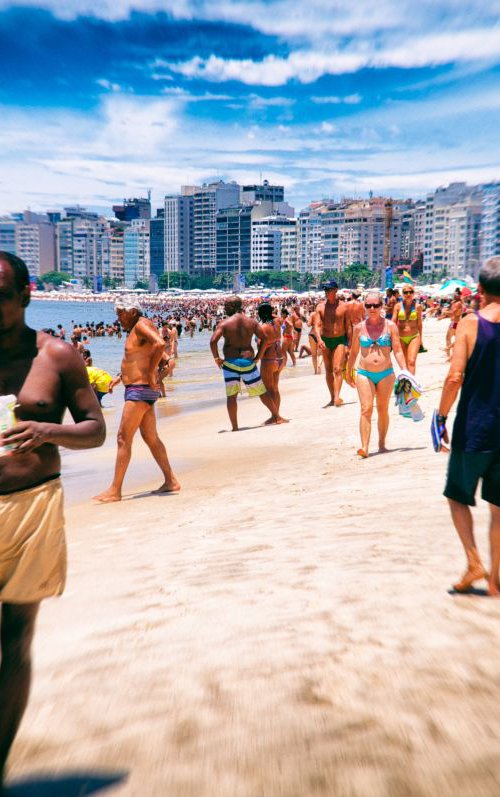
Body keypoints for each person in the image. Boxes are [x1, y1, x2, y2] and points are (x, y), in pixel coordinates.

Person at [0, 252, 105, 791]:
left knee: (15, 640)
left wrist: (47, 433)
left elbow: (94, 429)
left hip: (31, 506)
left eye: (1, 295)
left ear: (24, 296)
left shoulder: (58, 357)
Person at [436, 258, 500, 596]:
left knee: (457, 496)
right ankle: (495, 582)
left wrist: (441, 416)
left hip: (475, 428)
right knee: (499, 508)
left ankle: (475, 561)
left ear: (480, 290)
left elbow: (455, 376)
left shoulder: (470, 324)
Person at [93, 298, 180, 503]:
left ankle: (115, 490)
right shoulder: (139, 327)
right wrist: (120, 377)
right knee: (151, 437)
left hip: (139, 391)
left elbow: (160, 345)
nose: (118, 318)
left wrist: (151, 374)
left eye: (120, 313)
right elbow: (146, 357)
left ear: (132, 311)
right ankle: (170, 481)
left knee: (123, 438)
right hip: (140, 389)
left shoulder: (141, 325)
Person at [210, 296, 284, 431]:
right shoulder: (251, 322)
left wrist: (216, 358)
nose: (224, 307)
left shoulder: (225, 323)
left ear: (233, 307)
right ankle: (277, 417)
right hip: (248, 362)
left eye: (226, 305)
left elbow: (213, 341)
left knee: (231, 396)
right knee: (262, 392)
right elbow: (265, 339)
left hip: (230, 363)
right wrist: (257, 357)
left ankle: (235, 427)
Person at [346, 292, 406, 458]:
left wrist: (405, 370)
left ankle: (381, 443)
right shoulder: (359, 328)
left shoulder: (390, 326)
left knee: (382, 409)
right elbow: (353, 353)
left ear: (381, 306)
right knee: (366, 409)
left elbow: (398, 351)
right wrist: (348, 371)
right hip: (364, 373)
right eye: (368, 305)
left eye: (375, 305)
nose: (372, 308)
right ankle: (364, 447)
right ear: (364, 307)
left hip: (386, 373)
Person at [313, 280, 352, 406]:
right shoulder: (320, 307)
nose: (326, 292)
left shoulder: (344, 306)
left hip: (339, 340)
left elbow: (348, 327)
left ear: (336, 290)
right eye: (325, 290)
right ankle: (332, 397)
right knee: (328, 370)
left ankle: (337, 397)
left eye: (329, 290)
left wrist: (349, 344)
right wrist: (319, 340)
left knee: (337, 369)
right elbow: (317, 325)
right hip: (325, 340)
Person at [254, 303, 286, 424]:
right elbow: (276, 317)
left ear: (260, 313)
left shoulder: (263, 328)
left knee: (268, 389)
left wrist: (257, 357)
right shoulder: (278, 322)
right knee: (275, 389)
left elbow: (262, 344)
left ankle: (276, 416)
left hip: (268, 360)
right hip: (280, 359)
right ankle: (276, 415)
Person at [392, 285, 423, 374]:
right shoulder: (397, 306)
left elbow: (419, 324)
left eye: (410, 292)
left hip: (414, 337)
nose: (408, 294)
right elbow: (393, 323)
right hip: (400, 338)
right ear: (402, 294)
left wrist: (421, 339)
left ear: (413, 294)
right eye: (405, 292)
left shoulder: (418, 307)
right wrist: (391, 337)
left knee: (411, 362)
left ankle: (412, 385)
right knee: (404, 364)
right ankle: (406, 382)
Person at [444, 288, 464, 360]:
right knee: (456, 339)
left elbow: (453, 312)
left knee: (448, 338)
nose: (455, 295)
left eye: (456, 294)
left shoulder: (458, 303)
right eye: (455, 294)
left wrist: (445, 312)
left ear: (459, 295)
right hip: (456, 322)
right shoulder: (455, 302)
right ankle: (452, 355)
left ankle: (449, 354)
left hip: (455, 323)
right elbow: (451, 312)